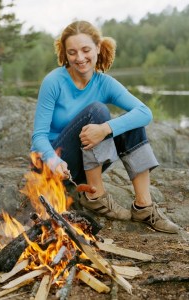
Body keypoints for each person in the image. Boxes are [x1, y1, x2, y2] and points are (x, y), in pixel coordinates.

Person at [31, 20, 179, 234]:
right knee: (98, 111)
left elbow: (144, 112)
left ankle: (143, 207)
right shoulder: (53, 82)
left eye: (85, 50)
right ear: (65, 53)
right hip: (53, 167)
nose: (79, 58)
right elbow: (38, 137)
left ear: (98, 48)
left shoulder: (105, 83)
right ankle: (95, 196)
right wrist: (54, 160)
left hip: (79, 169)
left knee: (131, 122)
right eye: (72, 52)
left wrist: (106, 129)